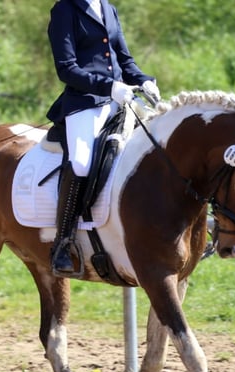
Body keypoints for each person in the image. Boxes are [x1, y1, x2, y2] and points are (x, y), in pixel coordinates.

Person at [46, 0, 160, 276]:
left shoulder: (107, 8)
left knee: (157, 148)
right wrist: (109, 87)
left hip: (121, 99)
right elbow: (67, 68)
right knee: (82, 163)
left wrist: (143, 80)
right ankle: (63, 243)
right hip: (85, 102)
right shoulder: (65, 10)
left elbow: (124, 59)